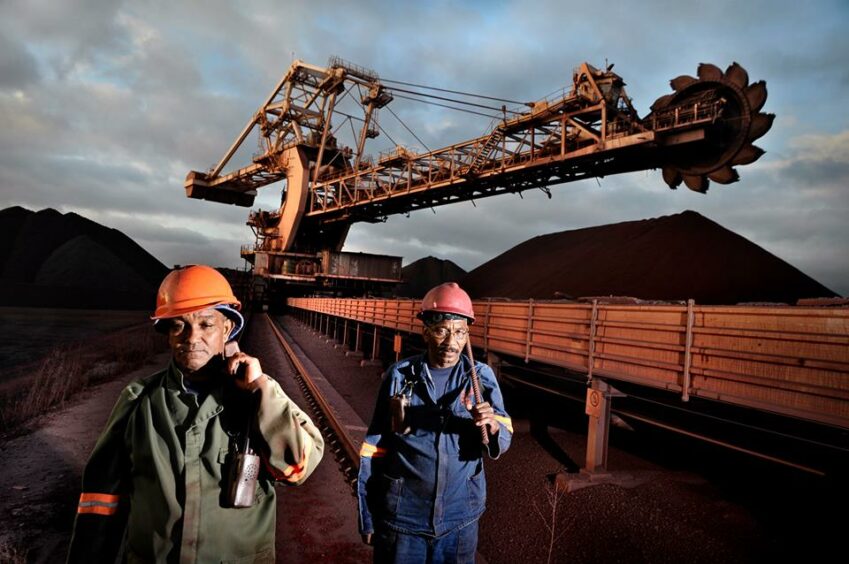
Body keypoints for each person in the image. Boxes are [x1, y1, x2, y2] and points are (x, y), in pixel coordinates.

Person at [67, 265, 324, 563]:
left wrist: (259, 388)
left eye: (206, 324)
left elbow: (299, 469)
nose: (191, 338)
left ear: (227, 328)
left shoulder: (259, 396)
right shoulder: (139, 403)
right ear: (166, 333)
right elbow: (99, 502)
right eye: (178, 325)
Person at [357, 282, 513, 563]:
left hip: (460, 520)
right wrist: (368, 516)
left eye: (459, 332)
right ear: (425, 331)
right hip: (403, 519)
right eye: (442, 330)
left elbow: (504, 432)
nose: (451, 343)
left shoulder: (480, 377)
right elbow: (374, 448)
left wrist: (492, 427)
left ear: (467, 335)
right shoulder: (399, 376)